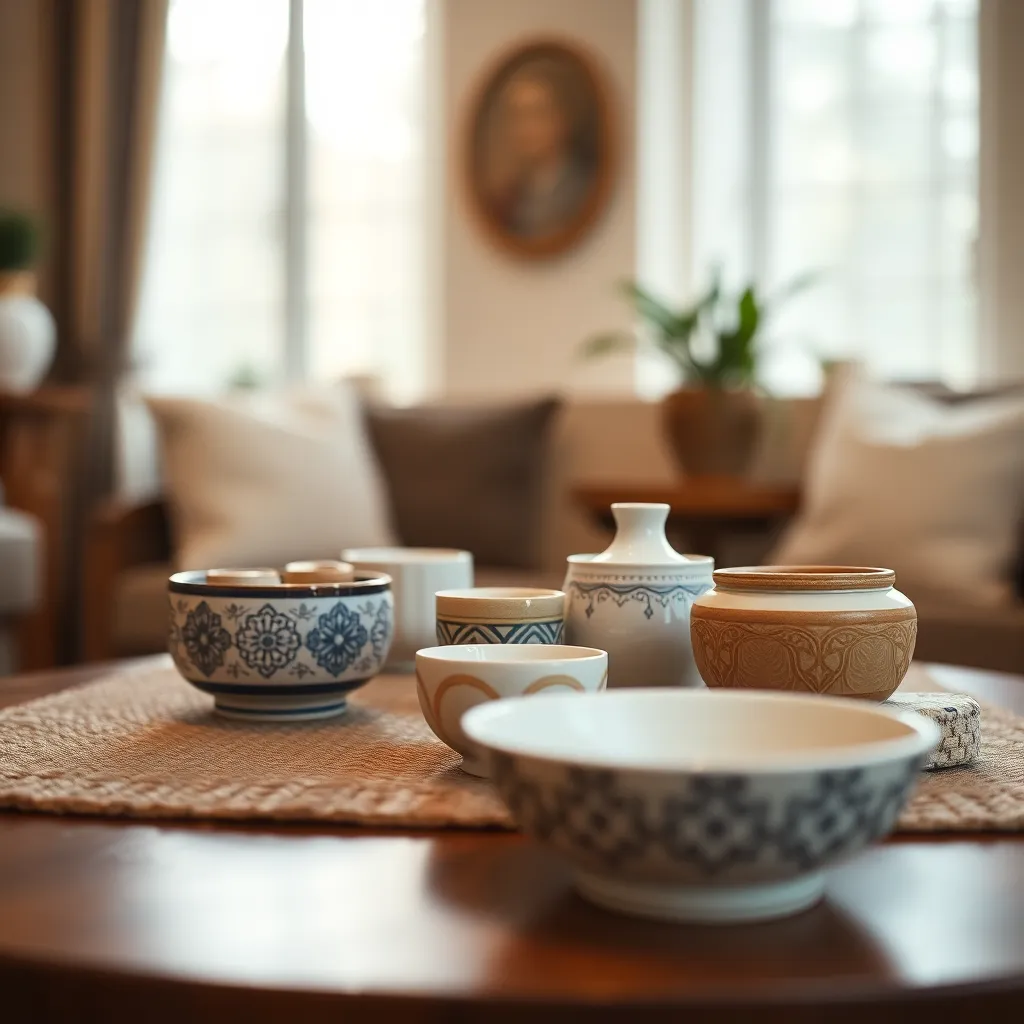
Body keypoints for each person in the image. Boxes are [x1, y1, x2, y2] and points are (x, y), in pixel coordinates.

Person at [485, 57, 595, 240]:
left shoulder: (584, 188)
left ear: (561, 118)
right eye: (517, 116)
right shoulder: (513, 198)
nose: (524, 128)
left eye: (536, 113)